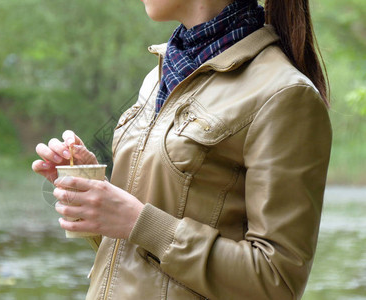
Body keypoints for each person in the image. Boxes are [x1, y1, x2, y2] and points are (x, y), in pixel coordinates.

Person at [32, 0, 332, 298]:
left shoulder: (284, 94)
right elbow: (137, 248)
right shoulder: (161, 75)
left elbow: (277, 282)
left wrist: (138, 221)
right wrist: (96, 200)